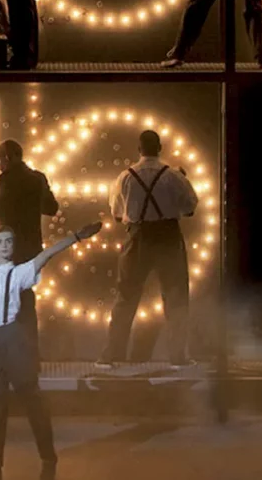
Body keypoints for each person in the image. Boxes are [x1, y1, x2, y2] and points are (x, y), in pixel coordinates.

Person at [0, 223, 100, 480]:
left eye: (9, 242)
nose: (4, 246)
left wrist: (75, 237)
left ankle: (48, 457)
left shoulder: (19, 273)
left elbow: (46, 255)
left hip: (12, 338)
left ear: (13, 247)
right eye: (0, 241)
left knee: (31, 398)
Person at [96, 130, 198, 368]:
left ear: (139, 149)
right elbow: (190, 208)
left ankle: (111, 354)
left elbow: (117, 215)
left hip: (138, 237)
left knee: (126, 297)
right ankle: (178, 357)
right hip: (168, 237)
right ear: (160, 147)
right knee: (175, 297)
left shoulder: (125, 177)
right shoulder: (173, 176)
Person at [0, 140, 59, 329]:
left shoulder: (6, 179)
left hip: (7, 248)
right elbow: (52, 208)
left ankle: (11, 349)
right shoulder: (38, 178)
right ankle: (29, 347)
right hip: (31, 247)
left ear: (8, 158)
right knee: (26, 296)